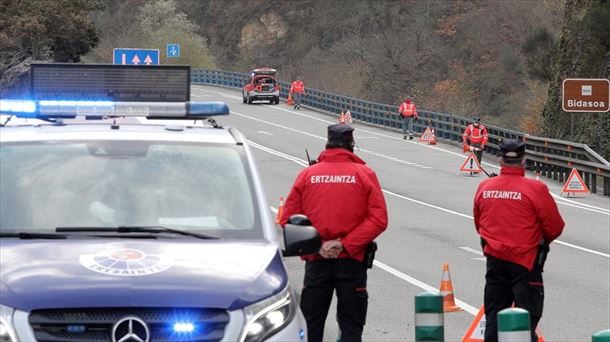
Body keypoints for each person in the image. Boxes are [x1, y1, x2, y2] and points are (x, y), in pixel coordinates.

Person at [281, 123, 388, 342]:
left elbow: (287, 219)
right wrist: (345, 244)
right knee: (351, 325)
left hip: (317, 261)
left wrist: (318, 246)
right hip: (352, 261)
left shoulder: (308, 175)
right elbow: (378, 219)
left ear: (327, 144)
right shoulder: (364, 174)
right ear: (351, 145)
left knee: (311, 324)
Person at [473, 139, 565, 342]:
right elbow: (555, 226)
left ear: (500, 161)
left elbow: (479, 223)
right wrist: (537, 240)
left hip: (495, 264)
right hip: (526, 264)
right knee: (525, 323)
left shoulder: (485, 187)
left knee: (494, 321)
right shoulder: (535, 189)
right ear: (524, 161)